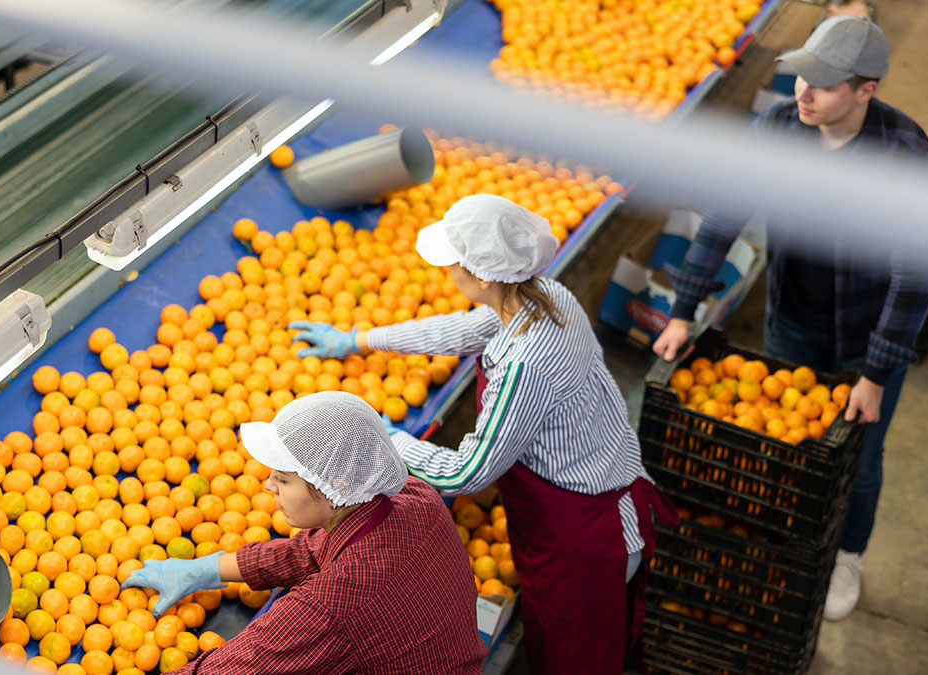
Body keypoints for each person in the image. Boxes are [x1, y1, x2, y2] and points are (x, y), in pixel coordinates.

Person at [290, 194, 676, 674]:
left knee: (574, 658)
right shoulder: (548, 297)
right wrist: (358, 340)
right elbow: (460, 332)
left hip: (583, 537)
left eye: (453, 262)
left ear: (483, 276)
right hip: (600, 499)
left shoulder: (522, 367)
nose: (447, 271)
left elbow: (467, 472)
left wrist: (390, 442)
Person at [652, 16, 928, 621]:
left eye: (824, 85)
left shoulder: (904, 152)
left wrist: (878, 372)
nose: (803, 92)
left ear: (867, 90)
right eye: (803, 76)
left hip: (868, 335)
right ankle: (791, 547)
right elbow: (723, 219)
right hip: (795, 320)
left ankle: (847, 555)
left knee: (858, 460)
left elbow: (914, 276)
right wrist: (683, 311)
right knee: (788, 443)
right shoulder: (778, 128)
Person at [121, 391, 487, 674]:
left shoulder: (334, 605)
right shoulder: (412, 496)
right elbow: (311, 552)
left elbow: (242, 664)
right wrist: (206, 569)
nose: (268, 486)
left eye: (281, 478)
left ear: (335, 485)